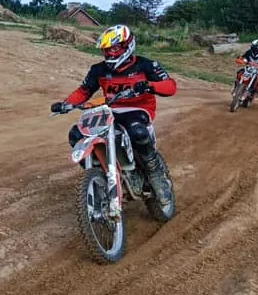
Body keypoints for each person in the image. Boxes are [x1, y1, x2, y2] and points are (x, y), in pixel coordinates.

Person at [50, 24, 177, 204]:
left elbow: (170, 86)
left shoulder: (146, 65)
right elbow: (84, 91)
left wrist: (150, 85)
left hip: (138, 109)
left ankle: (155, 174)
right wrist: (66, 104)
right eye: (107, 50)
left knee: (137, 132)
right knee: (76, 134)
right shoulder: (98, 70)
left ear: (127, 45)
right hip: (109, 110)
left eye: (114, 49)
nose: (110, 54)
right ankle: (101, 172)